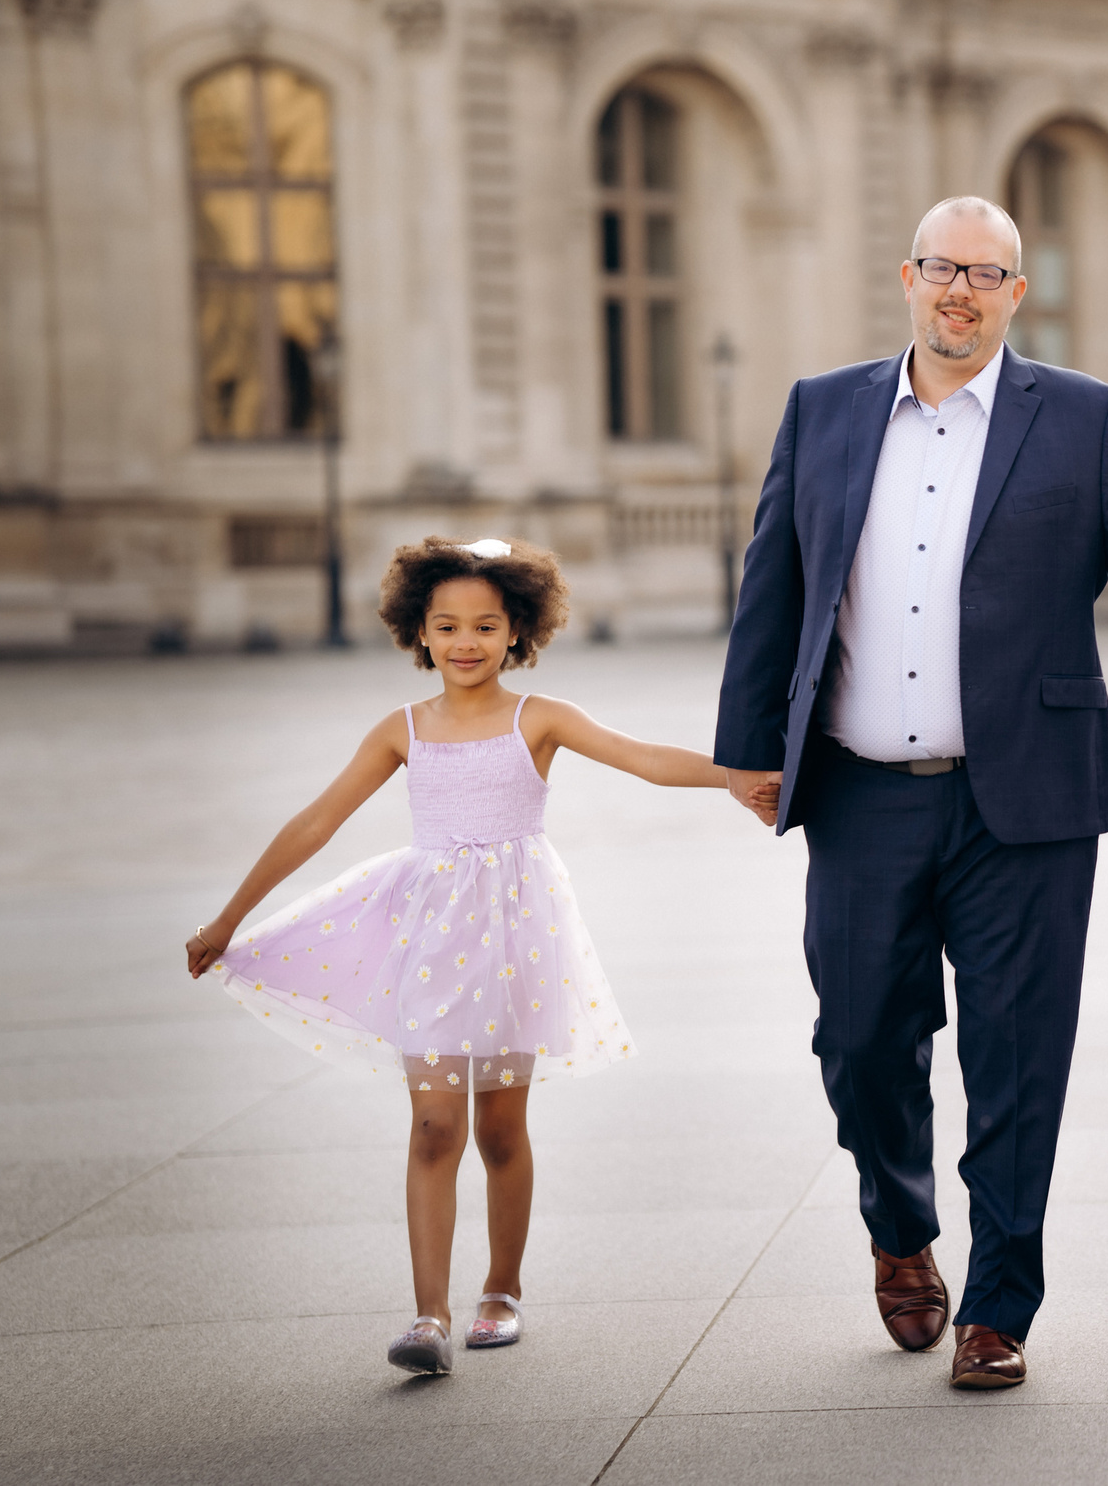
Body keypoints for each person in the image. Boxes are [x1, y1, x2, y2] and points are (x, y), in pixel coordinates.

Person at [714, 196, 1108, 1391]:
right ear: (906, 278)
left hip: (1027, 797)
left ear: (1018, 293)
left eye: (988, 273)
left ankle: (999, 1302)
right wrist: (749, 745)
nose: (959, 290)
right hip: (863, 792)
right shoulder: (821, 411)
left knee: (1019, 1056)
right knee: (860, 1037)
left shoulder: (1081, 418)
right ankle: (900, 1225)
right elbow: (775, 581)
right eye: (941, 268)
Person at [183, 537, 762, 1376]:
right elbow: (317, 821)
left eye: (485, 626)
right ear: (418, 631)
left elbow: (645, 759)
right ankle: (428, 1316)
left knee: (499, 1126)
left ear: (516, 630)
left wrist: (737, 778)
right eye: (447, 625)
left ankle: (502, 1287)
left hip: (515, 938)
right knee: (432, 1124)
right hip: (427, 942)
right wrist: (229, 918)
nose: (465, 642)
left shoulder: (541, 719)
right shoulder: (403, 730)